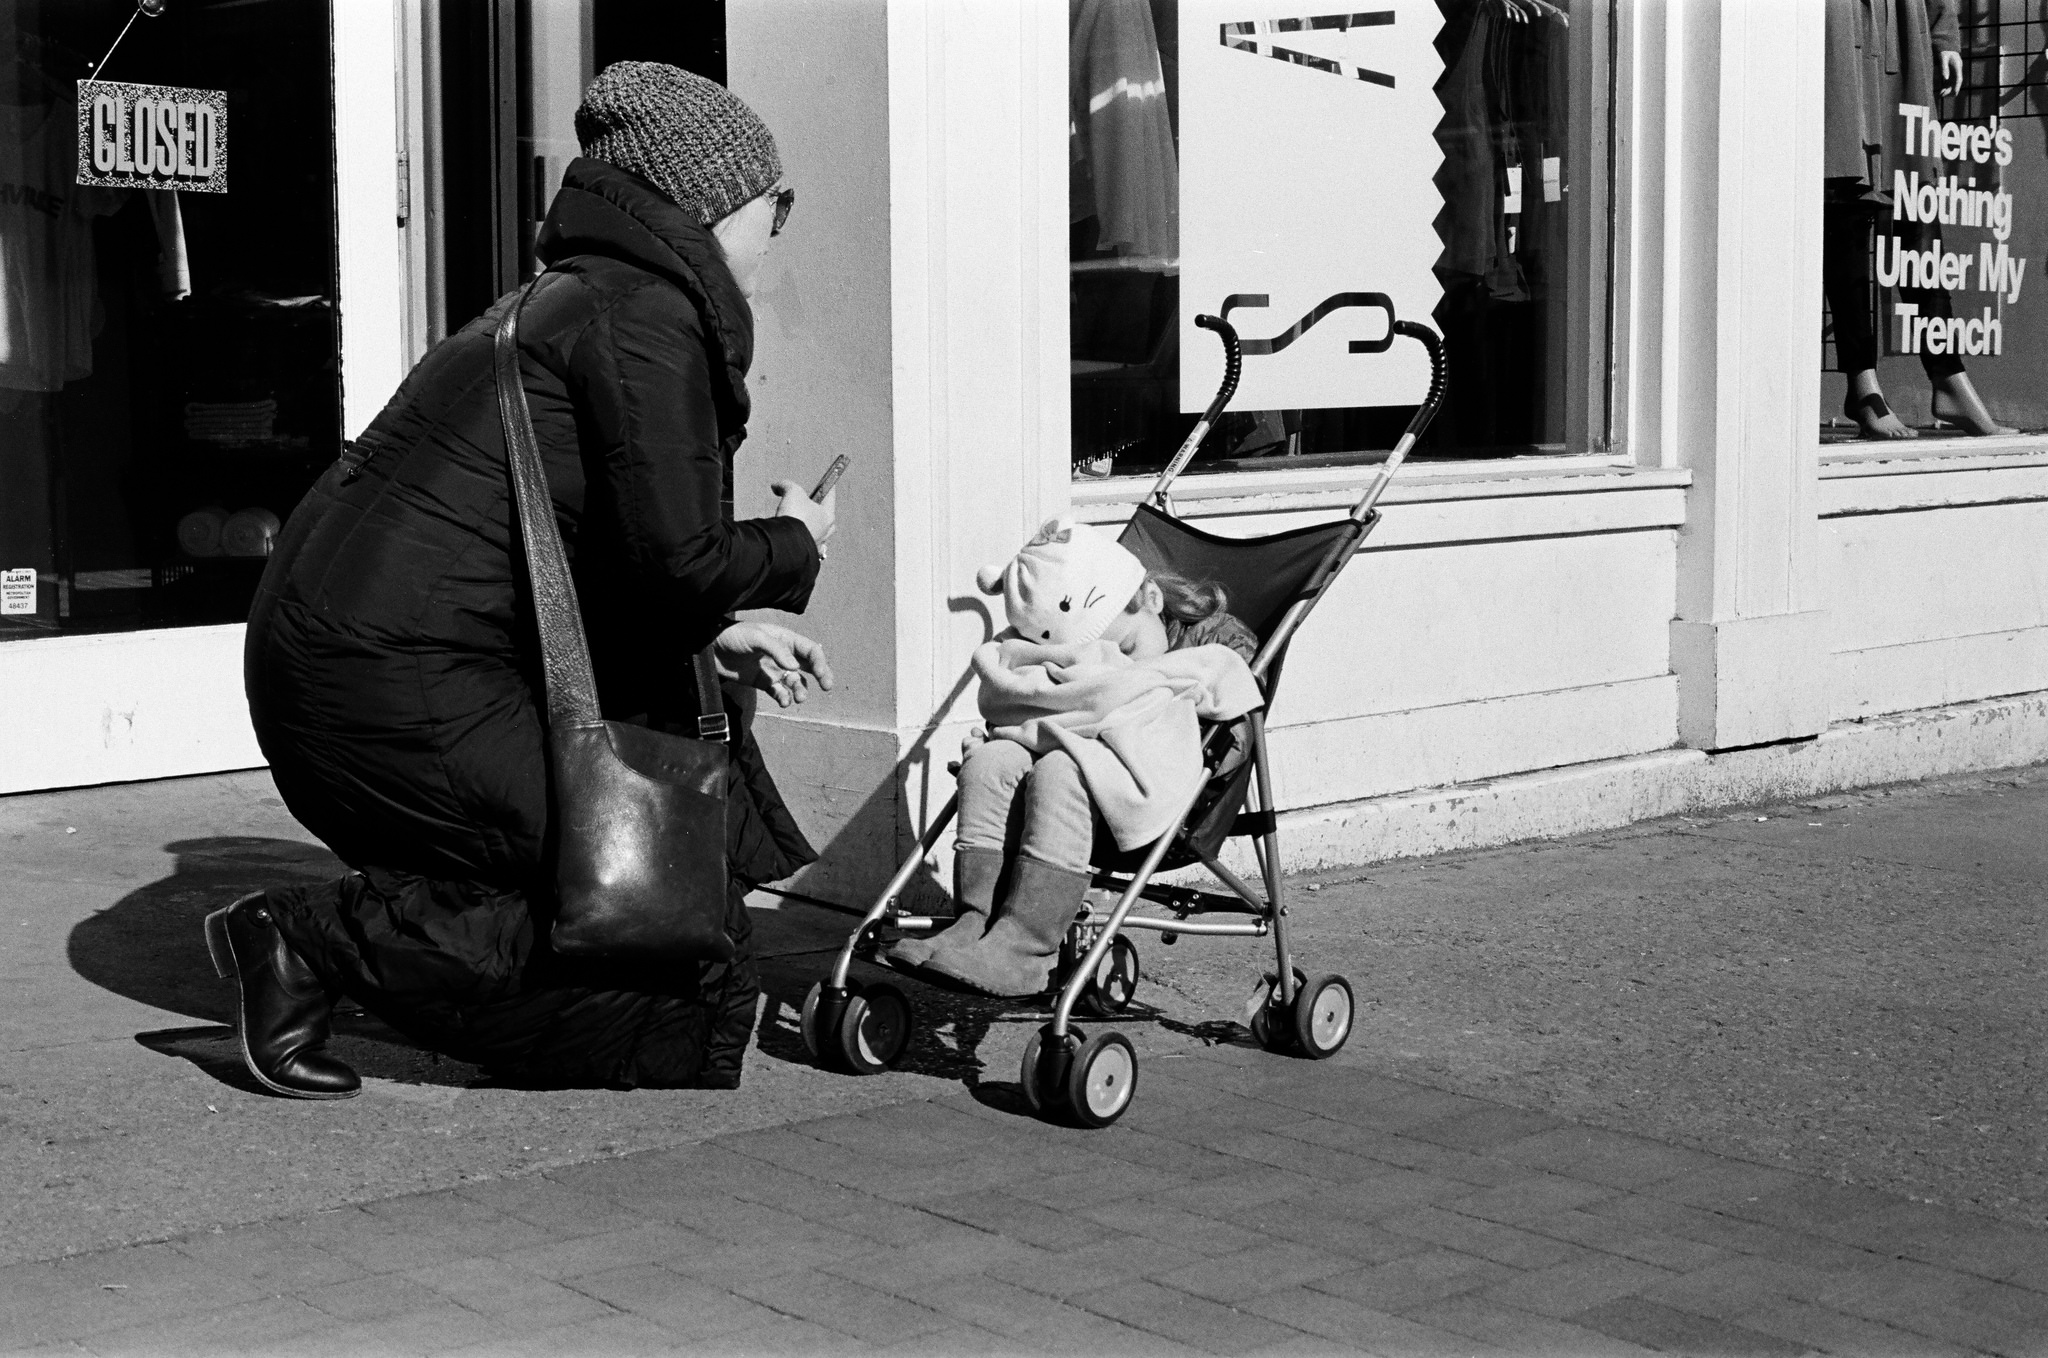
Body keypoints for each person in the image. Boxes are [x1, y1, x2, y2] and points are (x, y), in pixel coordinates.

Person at [209, 63, 836, 1097]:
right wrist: (797, 539)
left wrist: (716, 629)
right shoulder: (645, 314)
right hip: (390, 680)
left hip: (350, 663)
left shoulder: (575, 297)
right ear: (718, 198)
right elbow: (673, 559)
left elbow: (572, 541)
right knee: (636, 845)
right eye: (780, 203)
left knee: (644, 879)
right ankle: (305, 941)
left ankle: (339, 945)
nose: (781, 229)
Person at [886, 520, 1262, 998]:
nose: (1116, 662)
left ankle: (1025, 948)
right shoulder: (1081, 626)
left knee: (1063, 767)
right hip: (1060, 783)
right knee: (993, 761)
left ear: (1150, 598)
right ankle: (975, 923)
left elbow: (1235, 708)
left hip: (1142, 795)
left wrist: (1142, 688)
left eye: (1124, 649)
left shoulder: (1212, 645)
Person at [1823, 0, 2014, 438]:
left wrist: (1944, 32)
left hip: (1902, 26)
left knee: (1915, 200)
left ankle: (1949, 377)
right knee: (1846, 191)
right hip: (1833, 23)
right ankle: (1863, 385)